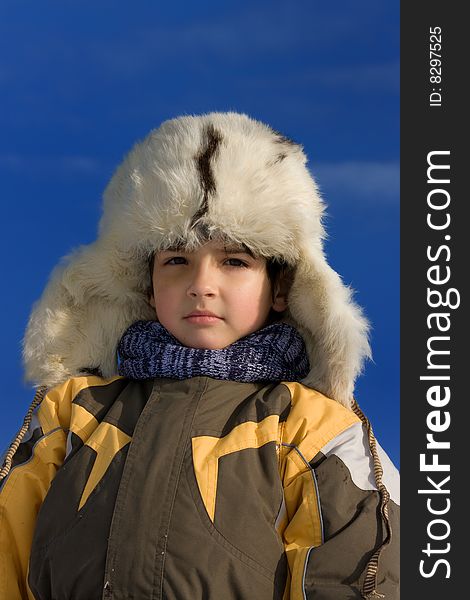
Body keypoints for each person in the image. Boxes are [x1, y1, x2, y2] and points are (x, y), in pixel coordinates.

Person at [0, 112, 399, 599]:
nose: (201, 285)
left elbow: (353, 574)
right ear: (147, 286)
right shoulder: (75, 413)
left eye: (234, 261)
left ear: (282, 287)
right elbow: (8, 550)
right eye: (176, 260)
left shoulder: (312, 428)